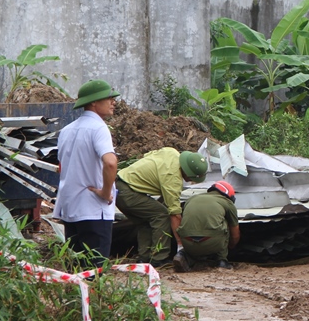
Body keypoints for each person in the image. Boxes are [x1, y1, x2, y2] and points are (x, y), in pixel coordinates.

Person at [53, 79, 120, 267]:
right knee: (94, 271)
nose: (113, 102)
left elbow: (62, 167)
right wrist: (106, 192)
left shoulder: (66, 130)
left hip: (71, 209)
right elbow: (110, 162)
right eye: (108, 98)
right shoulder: (99, 128)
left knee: (75, 270)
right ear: (93, 102)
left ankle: (74, 298)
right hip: (94, 210)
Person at [115, 147, 208, 266]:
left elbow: (147, 156)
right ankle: (159, 258)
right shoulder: (173, 179)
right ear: (187, 172)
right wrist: (180, 244)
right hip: (129, 193)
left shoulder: (171, 152)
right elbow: (174, 215)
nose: (190, 181)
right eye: (191, 178)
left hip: (118, 186)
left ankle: (144, 257)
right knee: (161, 215)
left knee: (146, 220)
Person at [173, 180, 240, 272]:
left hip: (187, 242)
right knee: (224, 223)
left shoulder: (191, 199)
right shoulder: (227, 203)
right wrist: (231, 246)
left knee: (194, 224)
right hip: (212, 241)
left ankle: (183, 255)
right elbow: (235, 233)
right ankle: (222, 261)